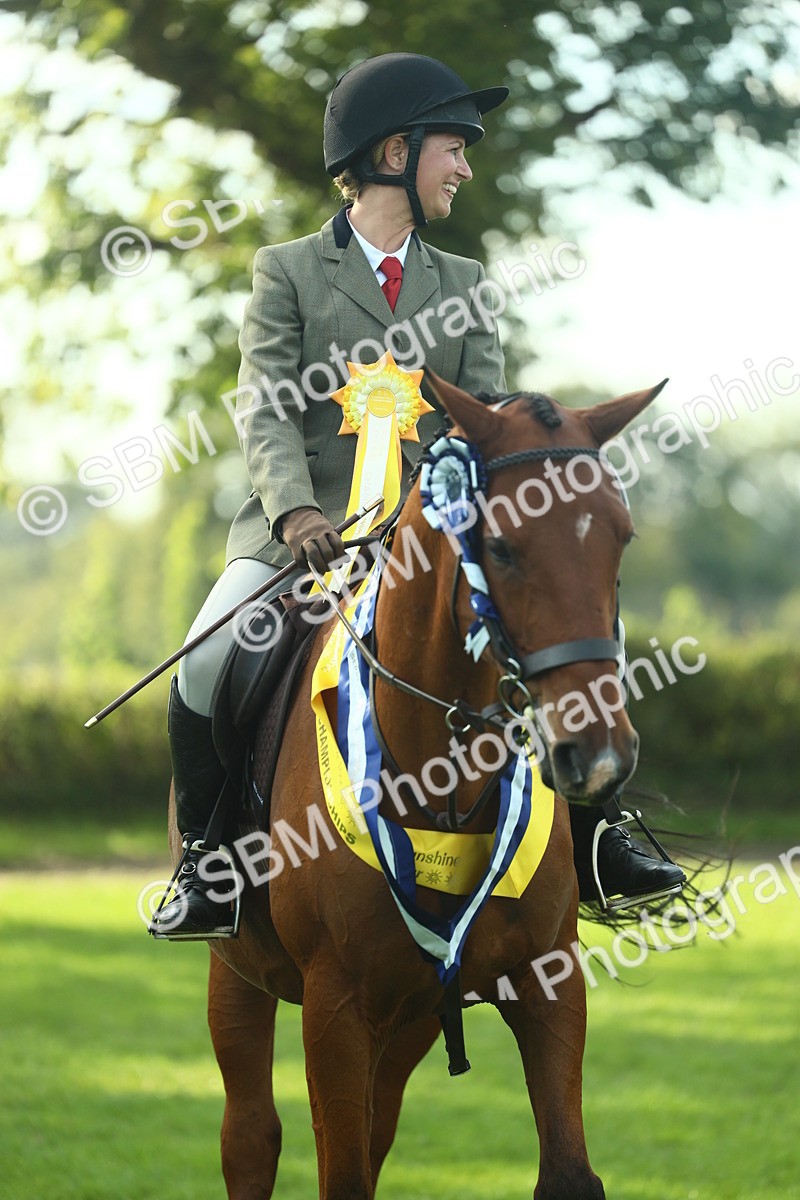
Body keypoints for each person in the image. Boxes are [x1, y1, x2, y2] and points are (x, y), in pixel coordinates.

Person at [150, 53, 684, 940]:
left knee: (585, 635)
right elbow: (265, 406)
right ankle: (210, 868)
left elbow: (486, 426)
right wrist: (295, 511)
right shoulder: (285, 271)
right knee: (203, 666)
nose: (466, 168)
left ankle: (599, 840)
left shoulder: (468, 284)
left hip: (434, 541)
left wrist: (438, 518)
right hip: (300, 540)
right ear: (395, 152)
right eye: (454, 149)